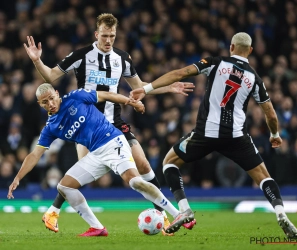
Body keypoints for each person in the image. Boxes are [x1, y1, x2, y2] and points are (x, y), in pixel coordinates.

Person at [23, 13, 195, 235]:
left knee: (142, 164)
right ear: (96, 34)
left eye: (112, 36)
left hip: (114, 123)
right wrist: (37, 60)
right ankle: (55, 211)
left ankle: (162, 214)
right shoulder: (81, 55)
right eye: (104, 35)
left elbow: (139, 86)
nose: (108, 40)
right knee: (78, 175)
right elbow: (51, 75)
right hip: (86, 125)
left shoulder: (122, 58)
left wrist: (167, 88)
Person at [130, 32, 297, 239]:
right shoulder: (255, 78)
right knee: (264, 177)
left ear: (231, 47)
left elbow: (181, 73)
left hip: (205, 134)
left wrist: (145, 89)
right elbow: (271, 113)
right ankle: (281, 213)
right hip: (237, 137)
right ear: (251, 51)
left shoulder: (215, 63)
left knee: (169, 163)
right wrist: (275, 134)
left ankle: (184, 210)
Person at [7, 83, 183, 237]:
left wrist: (130, 101)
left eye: (52, 98)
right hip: (96, 154)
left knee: (135, 181)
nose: (50, 104)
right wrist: (18, 177)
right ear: (40, 104)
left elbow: (105, 95)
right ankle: (97, 228)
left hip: (113, 141)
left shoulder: (75, 97)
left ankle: (178, 214)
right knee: (64, 186)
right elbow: (35, 154)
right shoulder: (51, 127)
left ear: (57, 93)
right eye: (45, 102)